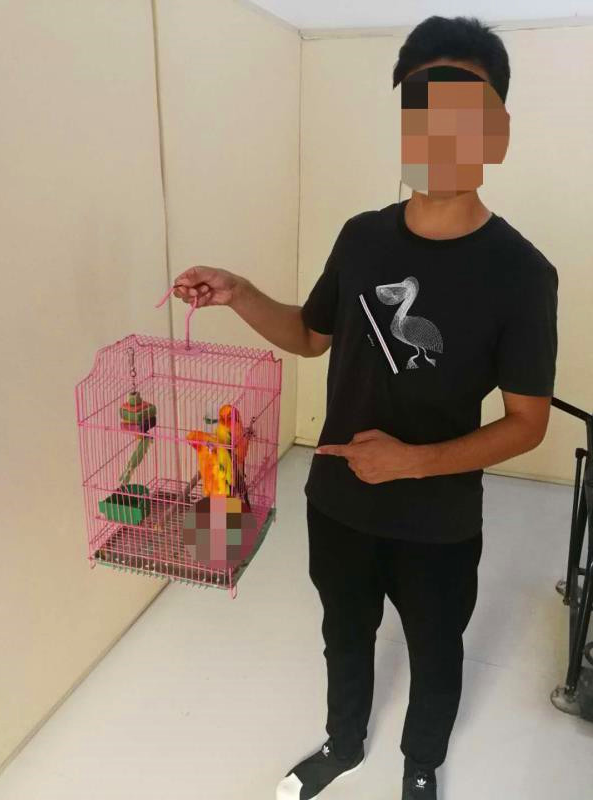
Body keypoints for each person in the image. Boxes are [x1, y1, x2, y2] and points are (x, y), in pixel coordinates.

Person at [173, 14, 559, 800]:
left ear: (496, 130)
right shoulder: (361, 239)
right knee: (343, 633)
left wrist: (412, 463)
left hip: (438, 520)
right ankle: (343, 743)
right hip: (338, 501)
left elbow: (529, 422)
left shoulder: (522, 274)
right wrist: (241, 293)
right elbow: (311, 336)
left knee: (436, 649)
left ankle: (420, 763)